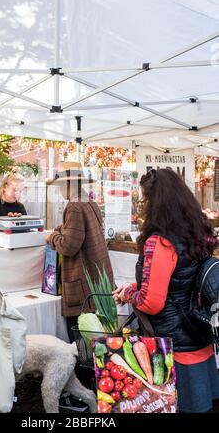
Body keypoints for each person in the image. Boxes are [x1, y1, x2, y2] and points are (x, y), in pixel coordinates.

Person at [113, 168, 219, 413]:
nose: (143, 205)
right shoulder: (197, 233)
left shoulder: (160, 241)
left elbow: (152, 303)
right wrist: (134, 287)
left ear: (155, 202)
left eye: (145, 199)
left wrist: (129, 294)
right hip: (198, 335)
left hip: (174, 347)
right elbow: (180, 282)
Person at [46, 162, 114, 343]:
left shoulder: (74, 206)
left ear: (68, 185)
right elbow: (77, 229)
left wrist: (52, 237)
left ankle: (84, 373)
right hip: (96, 282)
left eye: (61, 186)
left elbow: (68, 247)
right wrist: (61, 229)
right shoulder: (88, 201)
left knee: (82, 347)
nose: (60, 191)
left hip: (83, 288)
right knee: (99, 343)